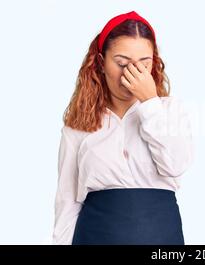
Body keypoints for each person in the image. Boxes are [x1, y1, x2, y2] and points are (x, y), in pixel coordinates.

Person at [52, 10, 194, 245]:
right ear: (101, 62)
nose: (132, 73)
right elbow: (67, 201)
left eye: (144, 63)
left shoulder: (169, 110)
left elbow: (176, 165)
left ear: (154, 63)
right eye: (121, 63)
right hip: (95, 236)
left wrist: (149, 103)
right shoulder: (79, 122)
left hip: (161, 236)